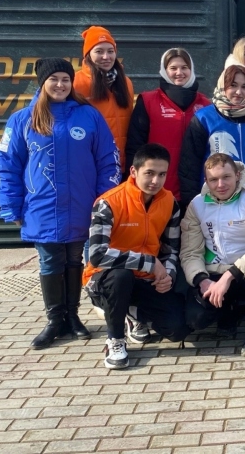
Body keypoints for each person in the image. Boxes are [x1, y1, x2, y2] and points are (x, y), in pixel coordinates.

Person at [0, 58, 120, 350]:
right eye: (54, 79)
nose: (60, 85)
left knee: (75, 259)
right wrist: (11, 205)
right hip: (41, 206)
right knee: (51, 260)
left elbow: (107, 160)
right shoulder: (22, 119)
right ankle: (55, 320)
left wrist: (104, 202)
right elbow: (8, 165)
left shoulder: (88, 115)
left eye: (65, 79)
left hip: (81, 205)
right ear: (42, 83)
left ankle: (73, 317)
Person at [83, 144, 189, 370]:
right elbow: (98, 255)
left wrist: (168, 275)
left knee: (177, 329)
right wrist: (149, 263)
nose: (156, 181)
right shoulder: (108, 202)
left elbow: (171, 249)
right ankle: (115, 339)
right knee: (121, 276)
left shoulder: (170, 202)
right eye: (149, 173)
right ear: (133, 171)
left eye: (162, 174)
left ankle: (131, 313)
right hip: (106, 279)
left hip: (145, 280)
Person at [180, 154, 245, 358]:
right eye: (213, 179)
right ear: (206, 180)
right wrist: (202, 280)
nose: (220, 185)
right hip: (214, 275)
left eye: (226, 177)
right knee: (195, 320)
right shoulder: (197, 205)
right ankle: (229, 312)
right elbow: (190, 252)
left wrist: (230, 275)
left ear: (237, 175)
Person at [179, 65, 245, 210]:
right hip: (213, 200)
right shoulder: (204, 118)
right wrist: (192, 201)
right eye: (233, 85)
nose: (239, 92)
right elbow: (190, 163)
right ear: (222, 86)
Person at [125, 48, 210, 201]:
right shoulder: (148, 101)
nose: (179, 72)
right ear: (164, 71)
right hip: (156, 189)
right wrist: (133, 184)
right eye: (173, 68)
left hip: (195, 190)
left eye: (184, 67)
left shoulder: (205, 104)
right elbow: (134, 147)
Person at [73, 26, 134, 168]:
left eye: (110, 51)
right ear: (88, 55)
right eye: (99, 51)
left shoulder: (126, 82)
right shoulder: (76, 83)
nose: (106, 57)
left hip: (123, 163)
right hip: (91, 164)